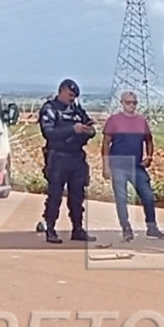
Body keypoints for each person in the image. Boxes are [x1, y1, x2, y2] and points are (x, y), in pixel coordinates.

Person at [102, 91, 164, 241]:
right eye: (128, 102)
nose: (131, 105)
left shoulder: (141, 121)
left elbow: (149, 140)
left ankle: (152, 227)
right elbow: (106, 143)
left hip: (137, 165)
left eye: (134, 103)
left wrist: (149, 156)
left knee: (148, 196)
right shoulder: (114, 120)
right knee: (121, 198)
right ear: (122, 103)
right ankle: (126, 228)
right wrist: (105, 166)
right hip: (118, 164)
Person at [38, 79, 97, 244]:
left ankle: (77, 229)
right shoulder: (50, 109)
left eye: (75, 96)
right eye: (70, 95)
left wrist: (88, 131)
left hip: (77, 157)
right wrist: (72, 129)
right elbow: (49, 133)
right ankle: (50, 230)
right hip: (58, 158)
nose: (72, 99)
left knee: (77, 196)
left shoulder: (76, 110)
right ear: (62, 90)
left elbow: (90, 127)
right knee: (55, 195)